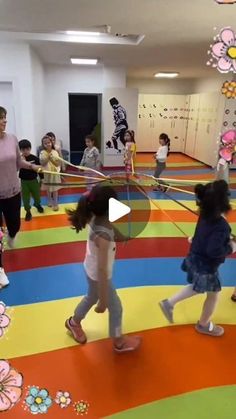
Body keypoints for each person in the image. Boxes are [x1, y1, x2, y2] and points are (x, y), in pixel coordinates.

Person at [65, 185, 141, 353]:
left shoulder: (96, 215)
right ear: (109, 209)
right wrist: (104, 300)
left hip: (90, 269)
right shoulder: (103, 237)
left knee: (91, 297)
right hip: (98, 276)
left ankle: (73, 322)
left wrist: (123, 237)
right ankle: (119, 341)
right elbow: (102, 270)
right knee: (116, 307)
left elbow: (113, 225)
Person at [159, 180, 236, 337]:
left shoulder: (205, 215)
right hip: (207, 266)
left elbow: (202, 233)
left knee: (197, 288)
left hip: (195, 258)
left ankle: (170, 304)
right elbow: (214, 250)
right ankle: (204, 324)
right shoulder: (221, 225)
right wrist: (231, 247)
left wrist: (195, 238)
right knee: (212, 294)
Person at [0, 106, 40, 288]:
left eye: (5, 118)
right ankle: (0, 270)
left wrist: (32, 166)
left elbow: (18, 161)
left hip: (12, 191)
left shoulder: (11, 139)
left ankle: (11, 234)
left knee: (14, 224)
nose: (4, 121)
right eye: (1, 118)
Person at [19, 139, 44, 221]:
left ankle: (37, 205)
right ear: (20, 150)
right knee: (25, 199)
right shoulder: (19, 159)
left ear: (30, 148)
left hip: (34, 181)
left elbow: (40, 169)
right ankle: (28, 211)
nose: (25, 151)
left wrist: (42, 179)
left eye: (27, 149)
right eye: (23, 149)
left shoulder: (35, 158)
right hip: (24, 182)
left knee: (37, 196)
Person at [39, 135, 61, 211]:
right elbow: (42, 163)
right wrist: (48, 157)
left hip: (55, 173)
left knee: (55, 189)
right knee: (48, 189)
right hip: (47, 173)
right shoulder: (42, 152)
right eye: (45, 143)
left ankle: (55, 203)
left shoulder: (55, 152)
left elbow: (57, 164)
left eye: (49, 142)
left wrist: (52, 159)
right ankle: (49, 200)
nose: (47, 144)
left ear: (51, 143)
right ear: (43, 145)